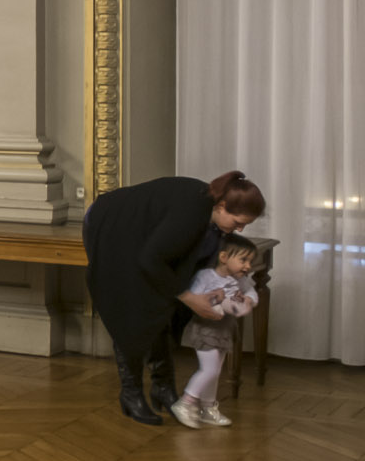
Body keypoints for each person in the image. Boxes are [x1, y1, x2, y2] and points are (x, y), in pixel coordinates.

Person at [83, 171, 265, 425]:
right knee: (132, 306)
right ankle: (131, 393)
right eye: (237, 222)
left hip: (146, 235)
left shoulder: (209, 210)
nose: (240, 229)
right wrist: (190, 298)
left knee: (165, 304)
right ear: (221, 207)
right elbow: (150, 259)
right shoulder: (190, 213)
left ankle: (163, 388)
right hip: (113, 224)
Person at [169, 234, 259, 428]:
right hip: (206, 330)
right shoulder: (205, 277)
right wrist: (216, 302)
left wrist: (249, 300)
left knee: (215, 372)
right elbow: (195, 300)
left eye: (250, 261)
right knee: (208, 369)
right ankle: (185, 402)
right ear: (224, 257)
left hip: (225, 330)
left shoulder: (239, 279)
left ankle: (208, 409)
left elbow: (252, 292)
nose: (248, 266)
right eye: (243, 260)